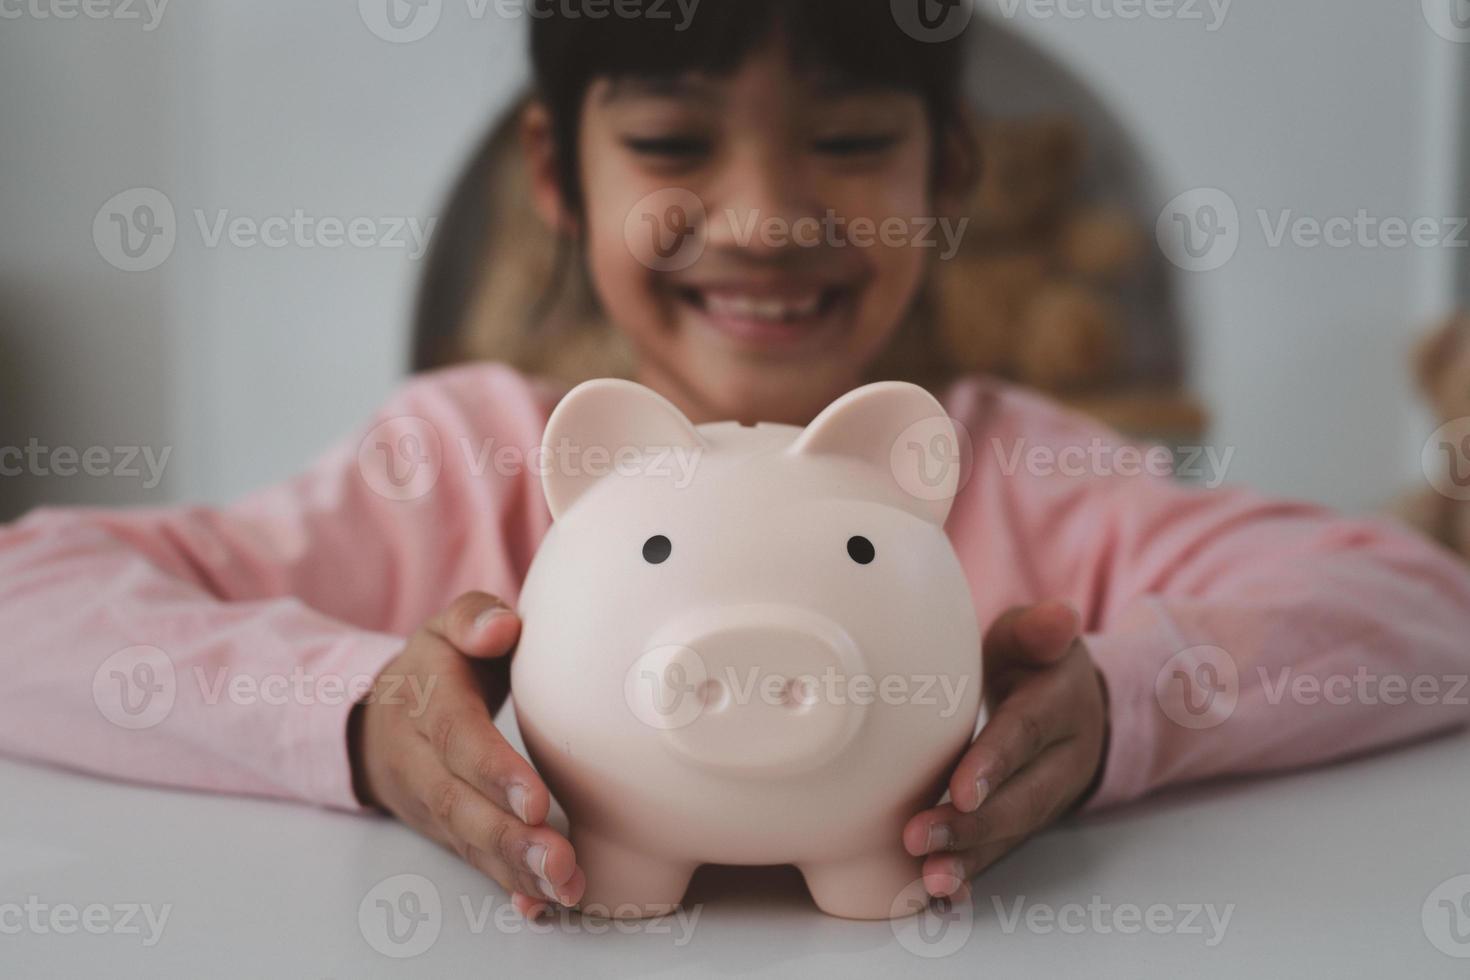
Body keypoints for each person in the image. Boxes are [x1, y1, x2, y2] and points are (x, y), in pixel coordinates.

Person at [3, 0, 1468, 923]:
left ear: (945, 173)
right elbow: (26, 603)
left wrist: (1123, 713)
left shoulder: (1032, 476)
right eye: (668, 140)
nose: (764, 217)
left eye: (843, 138)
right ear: (555, 176)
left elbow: (1414, 606)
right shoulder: (457, 462)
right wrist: (353, 720)